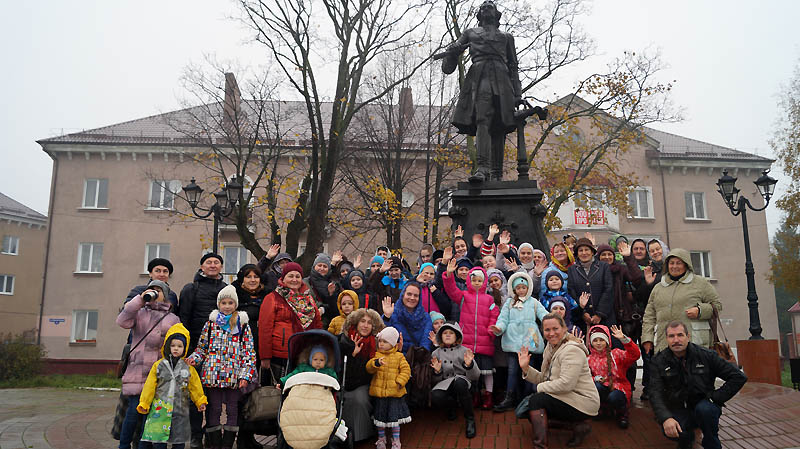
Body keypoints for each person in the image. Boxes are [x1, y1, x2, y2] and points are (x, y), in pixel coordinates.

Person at [439, 0, 522, 182]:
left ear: (496, 14)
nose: (485, 9)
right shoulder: (470, 33)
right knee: (482, 118)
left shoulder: (507, 37)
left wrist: (518, 94)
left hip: (502, 79)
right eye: (482, 7)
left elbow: (513, 65)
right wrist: (452, 51)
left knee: (500, 124)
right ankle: (483, 168)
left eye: (489, 7)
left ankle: (497, 173)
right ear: (479, 15)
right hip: (480, 76)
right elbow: (448, 67)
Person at [649, 321, 747, 449]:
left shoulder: (706, 355)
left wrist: (716, 397)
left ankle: (711, 442)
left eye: (680, 335)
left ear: (688, 336)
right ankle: (686, 439)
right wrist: (665, 418)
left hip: (703, 405)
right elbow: (654, 393)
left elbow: (738, 377)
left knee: (706, 411)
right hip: (678, 408)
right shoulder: (659, 361)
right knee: (673, 428)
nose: (676, 340)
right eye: (671, 336)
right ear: (666, 339)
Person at [187, 285, 257, 449]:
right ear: (218, 304)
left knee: (232, 409)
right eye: (223, 303)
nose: (227, 306)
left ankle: (227, 444)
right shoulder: (210, 325)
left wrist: (245, 375)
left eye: (230, 303)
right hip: (212, 374)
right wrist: (194, 358)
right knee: (214, 409)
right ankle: (215, 443)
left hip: (234, 375)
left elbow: (249, 353)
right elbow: (202, 348)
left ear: (235, 305)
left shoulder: (242, 325)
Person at [516, 313, 600, 449]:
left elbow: (566, 384)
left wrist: (539, 389)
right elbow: (545, 378)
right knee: (531, 410)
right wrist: (526, 368)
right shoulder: (550, 348)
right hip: (567, 397)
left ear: (564, 328)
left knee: (536, 401)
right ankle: (578, 427)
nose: (551, 333)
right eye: (547, 330)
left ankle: (540, 446)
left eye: (555, 328)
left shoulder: (572, 350)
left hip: (583, 401)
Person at [116, 280, 181, 449]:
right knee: (133, 411)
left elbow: (177, 343)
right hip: (138, 369)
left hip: (159, 373)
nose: (155, 292)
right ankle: (123, 445)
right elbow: (122, 321)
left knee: (152, 414)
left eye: (159, 290)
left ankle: (144, 446)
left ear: (165, 295)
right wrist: (140, 299)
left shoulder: (173, 318)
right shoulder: (139, 312)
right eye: (152, 289)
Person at [179, 253, 227, 448]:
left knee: (215, 397)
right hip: (195, 351)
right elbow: (183, 319)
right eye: (209, 262)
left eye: (216, 262)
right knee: (195, 395)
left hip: (219, 352)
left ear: (221, 267)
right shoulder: (191, 289)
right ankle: (196, 436)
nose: (213, 265)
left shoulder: (226, 289)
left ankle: (211, 435)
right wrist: (187, 350)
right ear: (202, 266)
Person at [137, 323, 207, 449]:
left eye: (179, 346)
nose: (176, 349)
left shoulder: (188, 368)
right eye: (173, 345)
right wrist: (144, 402)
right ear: (167, 346)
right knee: (159, 440)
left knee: (179, 441)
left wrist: (200, 401)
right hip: (160, 409)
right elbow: (149, 386)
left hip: (180, 410)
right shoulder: (158, 365)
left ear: (185, 348)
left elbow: (195, 386)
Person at [642, 248, 723, 355]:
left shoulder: (700, 283)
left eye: (678, 263)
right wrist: (647, 338)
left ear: (686, 265)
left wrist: (700, 311)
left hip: (695, 344)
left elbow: (717, 306)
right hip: (664, 345)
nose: (674, 266)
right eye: (671, 263)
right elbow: (649, 316)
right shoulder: (658, 288)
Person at [443, 262, 500, 409]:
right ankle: (474, 395)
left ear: (484, 282)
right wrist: (449, 275)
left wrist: (491, 330)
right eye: (474, 280)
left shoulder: (489, 299)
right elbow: (451, 290)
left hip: (485, 341)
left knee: (487, 372)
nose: (477, 283)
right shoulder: (463, 296)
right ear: (469, 281)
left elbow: (494, 315)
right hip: (467, 343)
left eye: (480, 280)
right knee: (471, 371)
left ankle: (488, 396)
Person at [490, 272, 548, 412]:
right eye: (518, 288)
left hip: (529, 341)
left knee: (529, 369)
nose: (521, 290)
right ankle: (510, 397)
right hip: (513, 340)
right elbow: (503, 318)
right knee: (512, 370)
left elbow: (544, 315)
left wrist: (554, 320)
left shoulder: (534, 302)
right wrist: (499, 328)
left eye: (523, 287)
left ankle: (527, 398)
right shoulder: (509, 303)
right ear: (514, 289)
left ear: (528, 288)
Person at [259, 262, 323, 382]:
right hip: (280, 355)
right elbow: (265, 329)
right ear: (283, 278)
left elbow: (317, 324)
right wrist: (265, 356)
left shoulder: (308, 298)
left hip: (305, 353)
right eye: (290, 276)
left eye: (297, 276)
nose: (294, 279)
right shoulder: (273, 298)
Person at [230, 264, 268, 449]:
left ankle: (248, 435)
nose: (253, 280)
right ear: (242, 279)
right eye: (248, 276)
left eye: (256, 276)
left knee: (254, 395)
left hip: (261, 351)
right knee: (241, 395)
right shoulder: (235, 296)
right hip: (240, 352)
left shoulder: (267, 296)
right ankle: (240, 437)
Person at [338, 308, 385, 443]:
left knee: (359, 398)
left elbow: (367, 375)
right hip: (346, 382)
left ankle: (360, 435)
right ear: (356, 323)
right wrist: (353, 354)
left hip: (367, 384)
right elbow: (344, 373)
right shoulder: (344, 341)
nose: (365, 325)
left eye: (369, 323)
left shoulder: (377, 344)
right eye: (362, 321)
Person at [430, 322, 480, 438]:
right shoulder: (436, 353)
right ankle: (451, 406)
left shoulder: (464, 351)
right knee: (435, 396)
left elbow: (476, 376)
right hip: (445, 383)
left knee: (459, 384)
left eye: (451, 333)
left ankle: (470, 419)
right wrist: (437, 372)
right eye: (445, 333)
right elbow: (434, 381)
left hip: (461, 381)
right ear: (440, 336)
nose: (448, 335)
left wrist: (469, 365)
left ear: (457, 336)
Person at [586, 324, 640, 429]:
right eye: (595, 340)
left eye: (601, 340)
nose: (598, 343)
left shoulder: (616, 354)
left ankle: (622, 414)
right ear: (591, 342)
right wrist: (594, 379)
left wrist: (624, 339)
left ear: (607, 341)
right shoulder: (589, 359)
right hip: (602, 388)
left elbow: (635, 355)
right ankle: (603, 409)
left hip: (618, 388)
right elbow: (584, 377)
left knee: (614, 397)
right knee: (596, 386)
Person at [367, 327, 412, 449]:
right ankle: (381, 438)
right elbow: (369, 368)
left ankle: (396, 439)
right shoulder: (376, 355)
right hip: (380, 393)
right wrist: (376, 363)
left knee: (394, 418)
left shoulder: (399, 356)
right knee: (380, 418)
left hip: (394, 393)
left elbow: (406, 370)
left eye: (385, 342)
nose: (381, 344)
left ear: (392, 343)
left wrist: (400, 381)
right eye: (380, 341)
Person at [567, 238, 614, 333]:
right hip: (583, 320)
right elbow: (572, 292)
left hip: (604, 317)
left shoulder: (603, 266)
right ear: (577, 253)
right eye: (581, 250)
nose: (584, 253)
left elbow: (608, 289)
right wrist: (583, 313)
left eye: (587, 250)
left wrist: (599, 314)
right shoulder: (572, 269)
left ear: (592, 252)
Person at [381, 283, 434, 353]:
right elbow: (384, 336)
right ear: (403, 295)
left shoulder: (425, 317)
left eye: (416, 295)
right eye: (409, 294)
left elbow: (426, 340)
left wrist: (421, 354)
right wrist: (387, 317)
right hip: (396, 355)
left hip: (418, 355)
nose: (412, 298)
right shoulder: (392, 313)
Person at [304, 253, 338, 325]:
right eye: (319, 265)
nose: (322, 268)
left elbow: (336, 309)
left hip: (328, 324)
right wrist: (321, 309)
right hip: (310, 322)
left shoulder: (333, 283)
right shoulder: (306, 283)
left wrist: (331, 295)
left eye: (325, 266)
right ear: (314, 266)